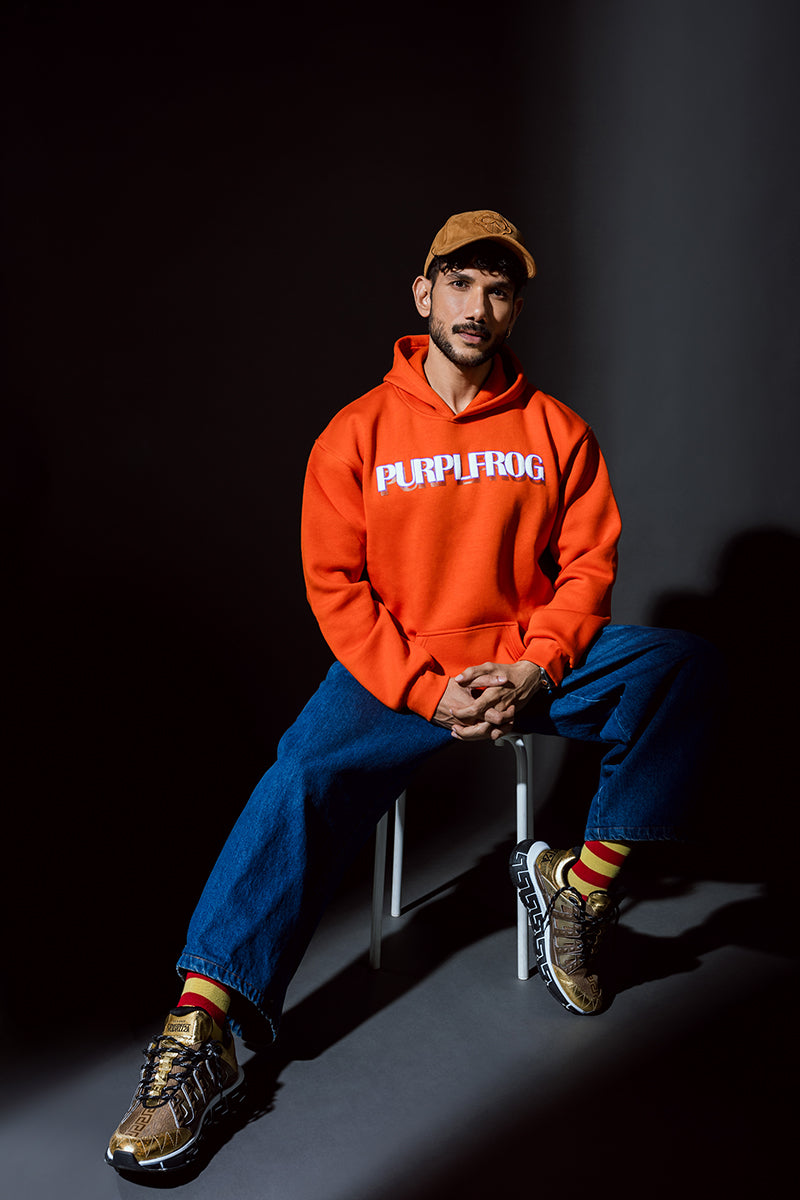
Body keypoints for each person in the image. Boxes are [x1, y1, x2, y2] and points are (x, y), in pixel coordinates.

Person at [106, 209, 720, 1174]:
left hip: (522, 664)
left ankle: (579, 886)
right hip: (398, 675)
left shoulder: (557, 429)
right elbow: (336, 589)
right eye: (461, 282)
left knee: (681, 664)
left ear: (515, 307)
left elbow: (587, 569)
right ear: (424, 293)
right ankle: (202, 1034)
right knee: (299, 775)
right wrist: (427, 692)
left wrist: (535, 666)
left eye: (499, 289)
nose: (479, 305)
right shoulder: (356, 432)